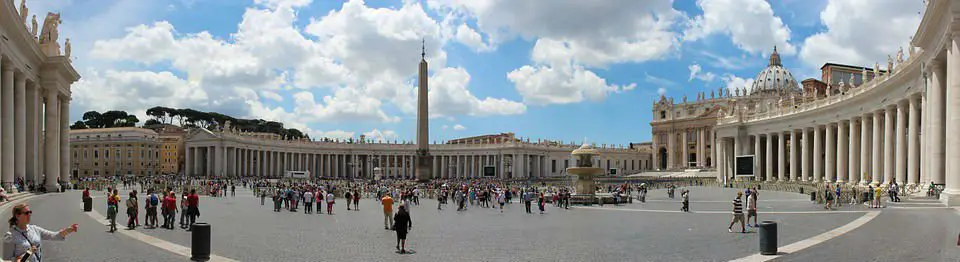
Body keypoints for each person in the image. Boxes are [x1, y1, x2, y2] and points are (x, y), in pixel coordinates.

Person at [3, 204, 79, 262]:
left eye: (30, 212)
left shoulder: (34, 229)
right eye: (26, 213)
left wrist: (68, 230)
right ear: (17, 216)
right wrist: (28, 253)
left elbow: (53, 236)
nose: (29, 215)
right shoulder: (9, 236)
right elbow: (7, 260)